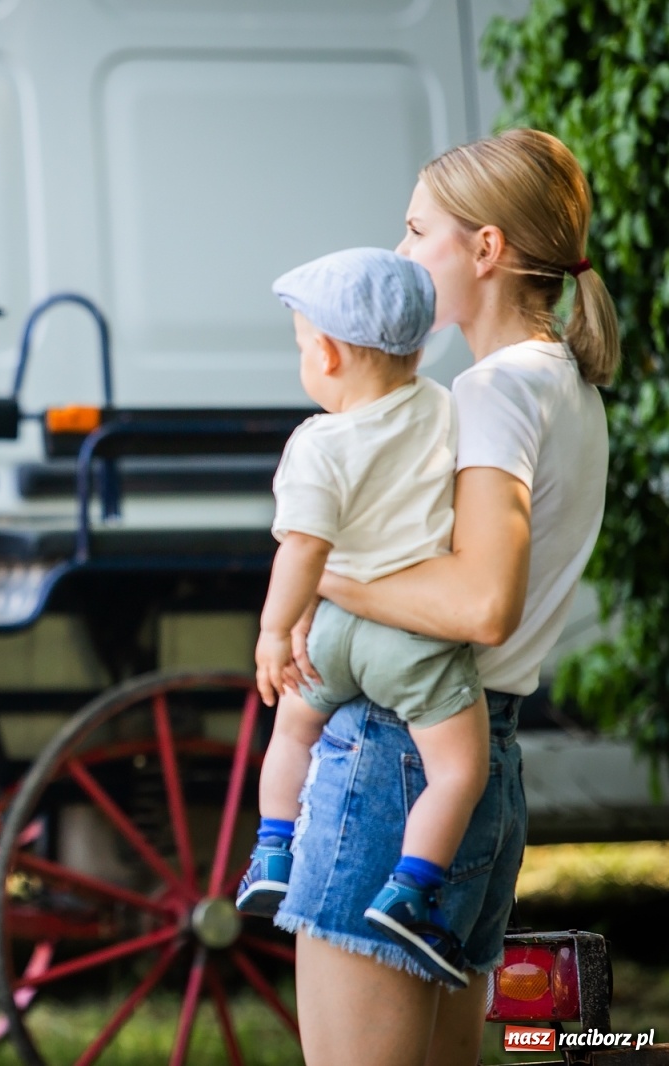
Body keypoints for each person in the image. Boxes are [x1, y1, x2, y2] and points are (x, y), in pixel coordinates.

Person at [273, 128, 617, 1066]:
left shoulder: (493, 391)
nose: (401, 251)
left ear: (486, 248)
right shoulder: (565, 383)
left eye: (419, 230)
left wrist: (319, 574)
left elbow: (480, 605)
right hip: (475, 759)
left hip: (397, 752)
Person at [236, 248, 489, 991]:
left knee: (292, 731)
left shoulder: (317, 443)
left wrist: (275, 632)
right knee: (460, 769)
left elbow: (302, 550)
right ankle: (411, 889)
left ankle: (274, 849)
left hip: (334, 630)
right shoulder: (444, 408)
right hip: (411, 635)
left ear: (328, 355)